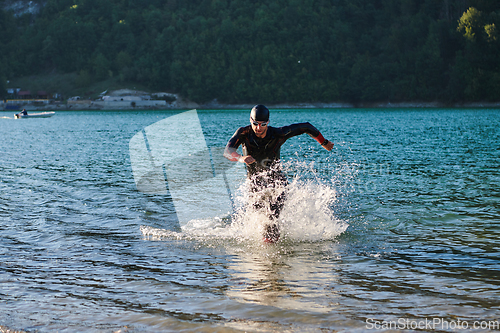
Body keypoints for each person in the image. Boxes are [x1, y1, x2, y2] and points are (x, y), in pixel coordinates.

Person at [224, 105, 334, 242]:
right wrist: (241, 158)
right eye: (255, 124)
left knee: (272, 217)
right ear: (250, 120)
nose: (258, 128)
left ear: (268, 122)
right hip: (255, 182)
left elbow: (306, 127)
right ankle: (270, 246)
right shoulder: (243, 133)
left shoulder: (278, 134)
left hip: (276, 181)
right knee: (260, 214)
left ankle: (272, 252)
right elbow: (227, 151)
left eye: (262, 124)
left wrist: (323, 142)